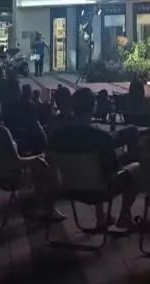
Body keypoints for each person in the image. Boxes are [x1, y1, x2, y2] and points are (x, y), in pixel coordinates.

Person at [47, 88, 139, 231]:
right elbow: (112, 170)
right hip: (100, 191)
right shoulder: (99, 137)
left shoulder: (56, 136)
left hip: (67, 188)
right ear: (93, 107)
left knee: (94, 165)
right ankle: (124, 216)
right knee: (135, 168)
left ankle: (101, 217)